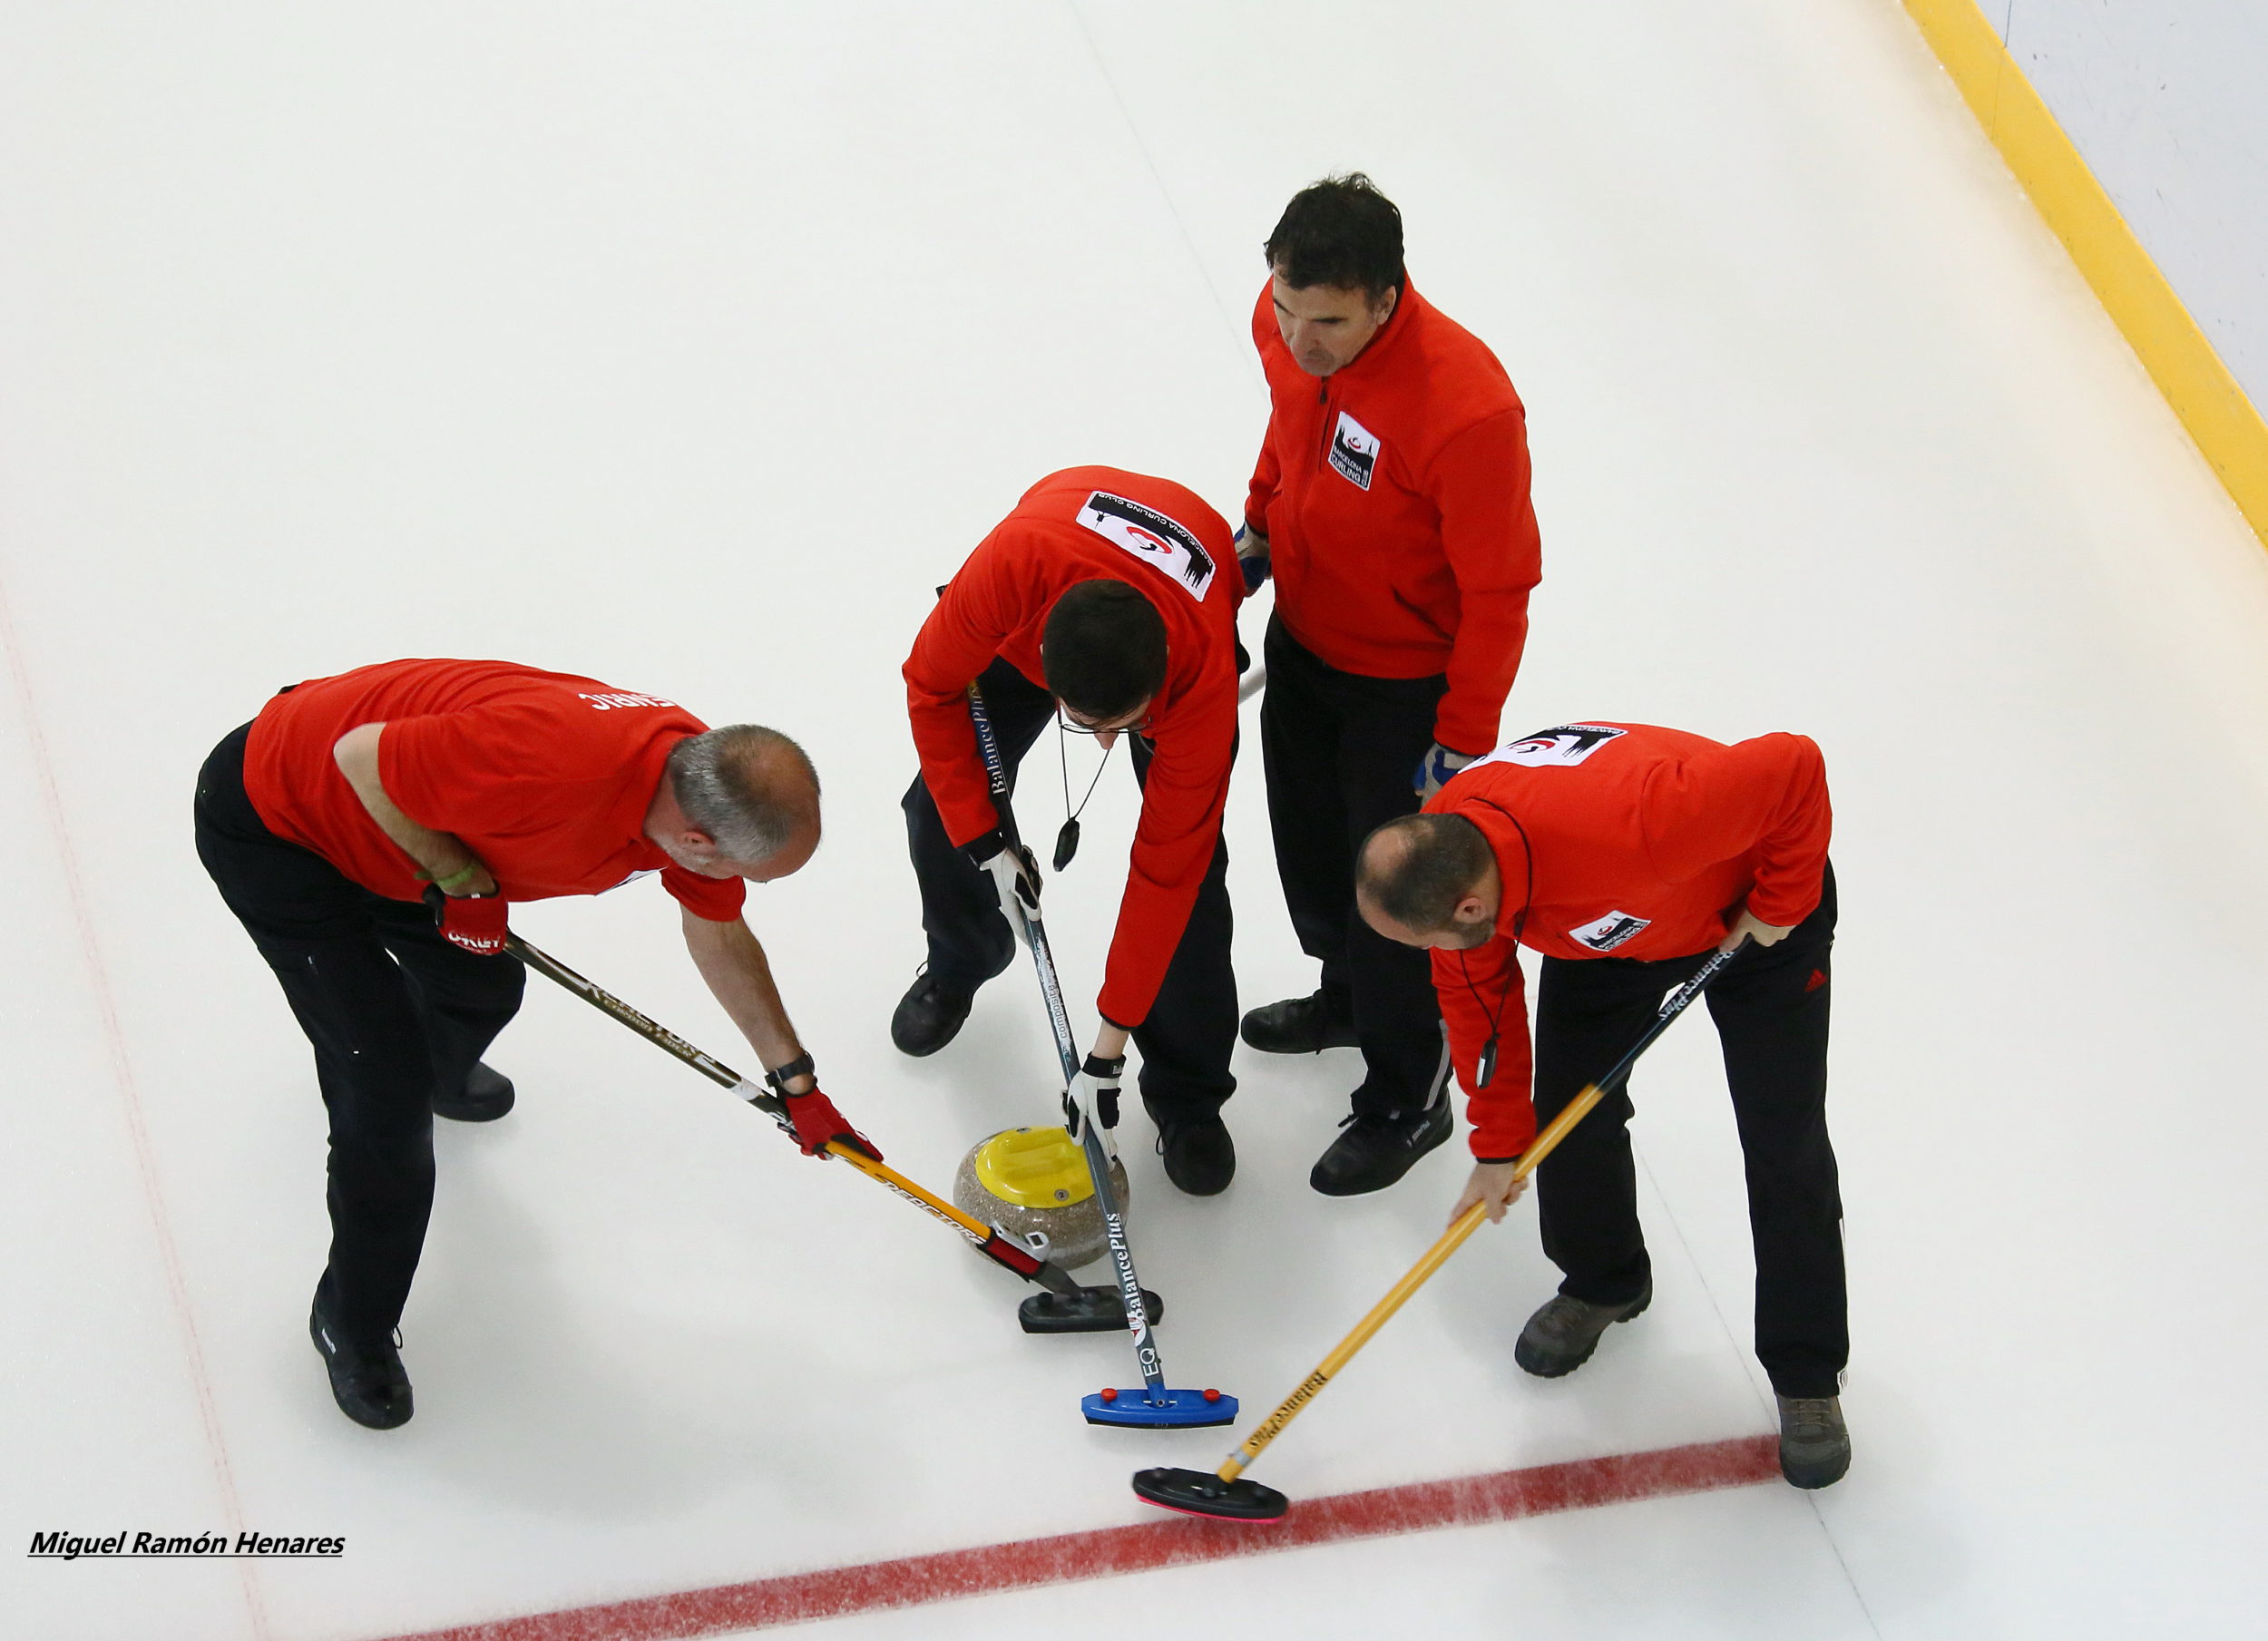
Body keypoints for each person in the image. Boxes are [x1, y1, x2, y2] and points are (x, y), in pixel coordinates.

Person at [194, 659, 874, 1431]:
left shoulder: (695, 780)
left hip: (405, 835)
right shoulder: (549, 763)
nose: (740, 884)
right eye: (749, 872)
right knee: (382, 1095)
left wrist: (794, 1078)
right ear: (697, 839)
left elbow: (716, 925)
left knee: (482, 986)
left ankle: (439, 1074)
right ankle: (353, 1323)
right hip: (284, 824)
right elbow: (360, 758)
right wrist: (459, 878)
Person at [1353, 720, 1849, 1488]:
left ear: (1471, 910)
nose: (1426, 958)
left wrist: (1783, 898)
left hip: (1756, 921)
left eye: (1424, 943)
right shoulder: (1459, 848)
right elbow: (1480, 1009)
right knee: (1566, 1113)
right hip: (1607, 930)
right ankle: (1604, 1278)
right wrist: (1496, 1146)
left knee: (1783, 1141)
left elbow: (1792, 765)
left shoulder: (1644, 821)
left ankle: (1807, 1372)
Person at [1236, 171, 1544, 1196]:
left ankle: (1407, 1092)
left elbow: (1500, 591)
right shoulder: (1286, 332)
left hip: (1403, 695)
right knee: (1313, 858)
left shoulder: (1467, 410)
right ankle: (1347, 998)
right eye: (1283, 309)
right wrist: (1255, 533)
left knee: (1394, 899)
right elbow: (1288, 441)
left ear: (1385, 297)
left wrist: (1459, 737)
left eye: (1324, 320)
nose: (1296, 338)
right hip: (1306, 647)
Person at [894, 467, 1243, 1196]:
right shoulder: (1007, 574)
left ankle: (1186, 1095)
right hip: (1053, 560)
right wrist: (986, 842)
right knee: (938, 806)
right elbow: (931, 688)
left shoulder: (1200, 688)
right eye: (1087, 725)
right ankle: (963, 958)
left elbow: (1164, 874)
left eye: (1123, 726)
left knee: (1195, 884)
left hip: (1185, 586)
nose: (1108, 747)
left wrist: (1107, 1051)